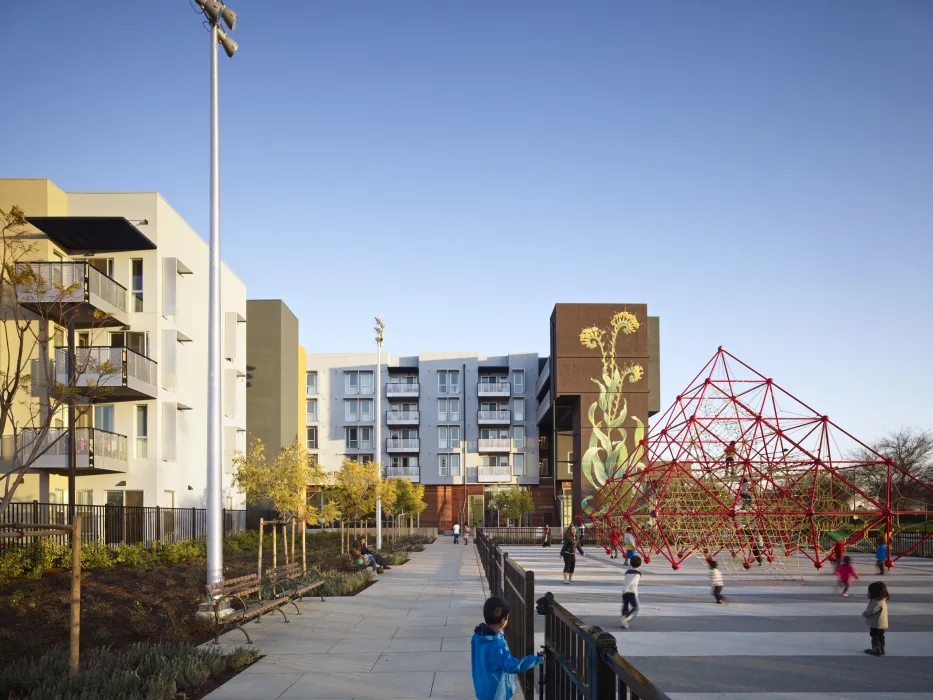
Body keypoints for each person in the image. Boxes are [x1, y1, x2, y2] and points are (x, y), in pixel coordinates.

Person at [471, 595, 544, 700]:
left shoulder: (477, 637)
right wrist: (536, 659)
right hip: (496, 693)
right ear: (503, 620)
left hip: (482, 688)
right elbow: (513, 666)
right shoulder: (498, 646)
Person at [862, 581, 889, 657]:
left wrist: (864, 614)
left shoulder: (876, 602)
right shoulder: (882, 600)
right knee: (881, 635)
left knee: (874, 635)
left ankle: (876, 649)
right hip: (881, 623)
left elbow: (870, 611)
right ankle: (881, 648)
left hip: (876, 623)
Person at [620, 555, 642, 629]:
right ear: (640, 564)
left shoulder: (628, 571)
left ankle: (624, 620)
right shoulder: (638, 573)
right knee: (637, 607)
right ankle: (626, 619)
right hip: (632, 592)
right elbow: (634, 580)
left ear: (630, 563)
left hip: (624, 591)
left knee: (625, 606)